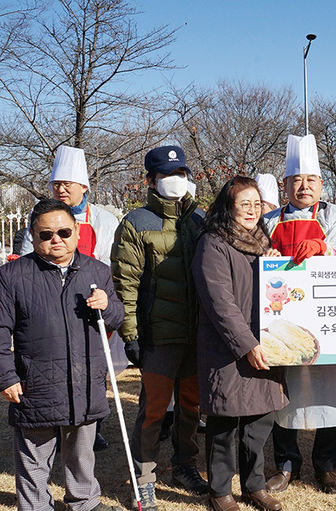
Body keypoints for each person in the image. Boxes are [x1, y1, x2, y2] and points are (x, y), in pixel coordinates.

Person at [0, 198, 123, 511]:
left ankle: (83, 501)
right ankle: (36, 506)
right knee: (34, 458)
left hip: (86, 380)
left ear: (77, 232)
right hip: (36, 381)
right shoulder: (12, 275)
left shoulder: (97, 271)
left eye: (64, 232)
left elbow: (118, 318)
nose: (56, 239)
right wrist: (6, 376)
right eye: (46, 234)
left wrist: (107, 306)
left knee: (82, 452)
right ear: (33, 235)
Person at [111, 145, 207, 511]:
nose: (174, 181)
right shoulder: (137, 223)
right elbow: (126, 284)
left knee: (190, 407)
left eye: (180, 174)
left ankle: (185, 466)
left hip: (196, 334)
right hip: (157, 335)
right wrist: (131, 335)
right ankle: (144, 476)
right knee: (153, 410)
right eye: (166, 175)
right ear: (151, 180)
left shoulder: (199, 218)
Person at [263, 134, 336, 494]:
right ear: (285, 185)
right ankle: (286, 464)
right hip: (280, 320)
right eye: (296, 180)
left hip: (324, 319)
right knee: (282, 393)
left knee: (327, 392)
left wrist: (323, 248)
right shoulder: (270, 219)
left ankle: (327, 465)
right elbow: (257, 258)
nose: (303, 186)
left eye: (311, 180)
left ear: (321, 184)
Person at [192, 177, 288, 511]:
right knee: (223, 422)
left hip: (266, 343)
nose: (251, 210)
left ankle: (254, 486)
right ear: (228, 207)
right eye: (243, 203)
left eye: (256, 203)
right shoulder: (213, 243)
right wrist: (247, 345)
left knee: (259, 421)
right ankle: (219, 492)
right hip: (227, 348)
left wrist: (276, 264)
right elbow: (221, 304)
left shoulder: (264, 240)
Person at [20, 145, 123, 451]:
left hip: (90, 302)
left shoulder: (104, 219)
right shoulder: (38, 216)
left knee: (94, 368)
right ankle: (50, 425)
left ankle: (94, 427)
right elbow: (28, 256)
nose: (61, 189)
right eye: (56, 184)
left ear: (84, 187)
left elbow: (108, 261)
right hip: (48, 301)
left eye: (67, 184)